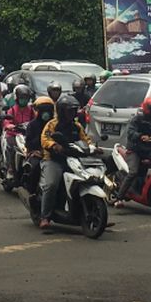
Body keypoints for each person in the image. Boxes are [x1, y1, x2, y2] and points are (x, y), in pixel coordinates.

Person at [37, 95, 92, 229]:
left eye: (73, 111)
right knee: (51, 184)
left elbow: (86, 140)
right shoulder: (52, 124)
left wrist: (93, 148)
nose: (72, 113)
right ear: (61, 111)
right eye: (69, 111)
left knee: (89, 180)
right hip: (53, 160)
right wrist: (54, 146)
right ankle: (45, 216)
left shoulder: (77, 126)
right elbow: (45, 139)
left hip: (74, 159)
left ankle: (90, 214)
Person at [115, 96, 151, 205]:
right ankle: (119, 197)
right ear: (147, 108)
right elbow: (131, 132)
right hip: (135, 150)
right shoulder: (137, 120)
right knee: (133, 172)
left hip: (148, 151)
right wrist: (140, 136)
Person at [1, 84, 35, 177]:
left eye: (26, 98)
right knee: (11, 148)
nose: (24, 100)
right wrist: (9, 125)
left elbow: (35, 121)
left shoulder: (31, 110)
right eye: (22, 98)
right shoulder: (12, 110)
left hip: (27, 135)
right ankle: (10, 168)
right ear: (17, 98)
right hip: (13, 134)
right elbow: (6, 121)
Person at [24, 96, 56, 192]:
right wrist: (36, 150)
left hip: (53, 154)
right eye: (43, 110)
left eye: (48, 110)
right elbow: (28, 143)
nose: (46, 113)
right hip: (36, 153)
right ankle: (32, 191)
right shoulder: (32, 125)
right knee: (35, 168)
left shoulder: (54, 124)